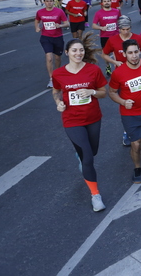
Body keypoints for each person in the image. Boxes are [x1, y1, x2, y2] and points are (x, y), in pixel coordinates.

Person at [51, 33, 107, 212]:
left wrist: (91, 92)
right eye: (74, 50)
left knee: (93, 151)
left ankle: (81, 155)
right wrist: (59, 103)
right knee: (88, 158)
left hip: (92, 118)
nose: (78, 53)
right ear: (67, 52)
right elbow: (56, 91)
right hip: (72, 120)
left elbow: (103, 92)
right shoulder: (59, 73)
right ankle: (95, 195)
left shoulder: (93, 70)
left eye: (81, 50)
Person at [108, 39, 141, 183]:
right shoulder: (118, 73)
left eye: (136, 52)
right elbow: (112, 92)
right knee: (135, 143)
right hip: (129, 114)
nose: (134, 56)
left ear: (140, 51)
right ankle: (137, 168)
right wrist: (123, 102)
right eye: (130, 53)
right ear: (124, 54)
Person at [35, 0, 69, 88]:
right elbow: (37, 20)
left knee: (57, 58)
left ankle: (56, 74)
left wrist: (60, 25)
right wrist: (37, 27)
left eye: (51, 1)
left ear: (53, 2)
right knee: (49, 58)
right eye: (47, 1)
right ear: (44, 2)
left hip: (58, 37)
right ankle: (51, 78)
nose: (49, 3)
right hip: (46, 37)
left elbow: (67, 23)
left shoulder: (59, 12)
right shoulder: (40, 12)